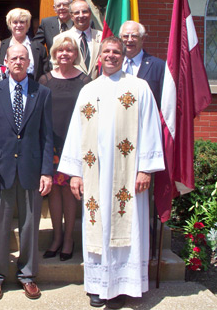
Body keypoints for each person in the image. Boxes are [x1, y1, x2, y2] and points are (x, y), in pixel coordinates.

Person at [58, 36, 165, 309]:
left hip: (127, 178)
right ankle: (97, 286)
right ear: (99, 57)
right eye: (106, 51)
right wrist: (76, 173)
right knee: (96, 226)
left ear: (123, 55)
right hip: (94, 174)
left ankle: (124, 285)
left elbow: (151, 128)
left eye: (116, 52)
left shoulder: (139, 88)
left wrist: (145, 169)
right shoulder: (88, 90)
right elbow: (76, 133)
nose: (111, 56)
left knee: (127, 225)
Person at [0, 44, 53, 301]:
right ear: (5, 62)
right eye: (14, 58)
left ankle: (28, 275)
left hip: (32, 168)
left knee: (30, 226)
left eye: (23, 58)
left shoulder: (41, 92)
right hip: (0, 167)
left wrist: (47, 171)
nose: (18, 62)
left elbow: (46, 135)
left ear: (29, 62)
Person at [38, 34, 91, 261]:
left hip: (76, 144)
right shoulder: (45, 80)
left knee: (70, 191)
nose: (64, 54)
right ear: (54, 54)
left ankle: (69, 238)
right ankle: (57, 237)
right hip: (52, 144)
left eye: (69, 50)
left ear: (75, 54)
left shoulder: (85, 81)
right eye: (60, 50)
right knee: (55, 192)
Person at [119, 20, 165, 109]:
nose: (129, 40)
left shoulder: (159, 66)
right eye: (125, 36)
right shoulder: (111, 65)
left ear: (143, 39)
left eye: (134, 36)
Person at [0, 8, 49, 81]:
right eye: (15, 22)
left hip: (33, 90)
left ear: (27, 25)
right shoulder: (1, 46)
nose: (18, 25)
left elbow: (45, 73)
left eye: (22, 22)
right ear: (10, 24)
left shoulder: (38, 47)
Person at [64, 0, 102, 79]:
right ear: (71, 16)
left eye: (84, 12)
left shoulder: (102, 36)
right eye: (77, 13)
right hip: (72, 86)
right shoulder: (61, 39)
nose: (81, 15)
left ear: (90, 13)